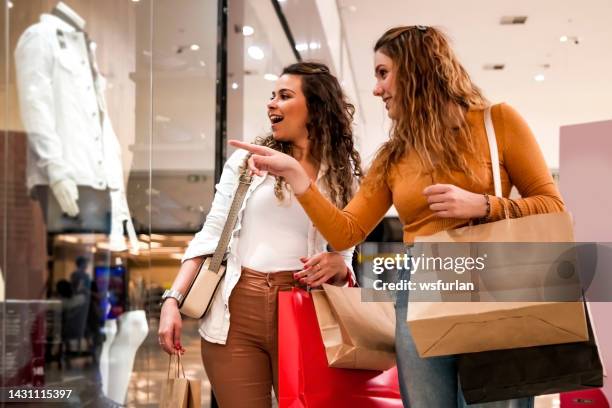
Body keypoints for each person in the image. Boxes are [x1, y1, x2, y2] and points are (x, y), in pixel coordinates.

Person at [230, 26, 565, 407]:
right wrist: (295, 174)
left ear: (416, 70)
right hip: (420, 284)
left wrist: (485, 205)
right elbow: (345, 232)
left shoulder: (496, 121)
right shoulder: (393, 155)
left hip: (492, 281)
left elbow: (552, 206)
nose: (376, 88)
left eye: (383, 73)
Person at [158, 62, 362, 407]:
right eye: (272, 96)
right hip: (236, 310)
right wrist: (171, 301)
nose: (272, 104)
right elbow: (210, 236)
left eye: (284, 96)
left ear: (316, 107)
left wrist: (339, 266)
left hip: (306, 311)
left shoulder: (343, 175)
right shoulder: (247, 163)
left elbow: (344, 253)